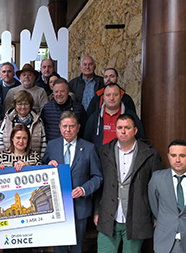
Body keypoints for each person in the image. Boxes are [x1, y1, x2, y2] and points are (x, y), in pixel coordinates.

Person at [94, 114, 163, 253]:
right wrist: (96, 211)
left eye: (127, 128)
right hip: (108, 217)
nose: (123, 131)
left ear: (135, 130)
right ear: (115, 130)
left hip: (137, 217)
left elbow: (158, 188)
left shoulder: (150, 154)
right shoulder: (104, 151)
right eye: (120, 128)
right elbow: (99, 184)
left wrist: (156, 215)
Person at [42, 111, 103, 253]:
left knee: (78, 249)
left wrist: (84, 189)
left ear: (78, 127)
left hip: (80, 207)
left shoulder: (89, 148)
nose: (68, 130)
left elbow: (98, 177)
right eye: (64, 126)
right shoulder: (52, 145)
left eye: (71, 126)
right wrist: (48, 166)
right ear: (59, 127)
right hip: (56, 207)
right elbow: (42, 171)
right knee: (59, 249)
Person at [84, 83, 144, 151]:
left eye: (115, 95)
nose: (112, 98)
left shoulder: (131, 117)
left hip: (124, 157)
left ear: (121, 96)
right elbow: (87, 142)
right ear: (103, 97)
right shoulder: (94, 117)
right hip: (99, 158)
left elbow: (141, 140)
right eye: (108, 95)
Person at [0, 90, 47, 158]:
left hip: (32, 161)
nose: (23, 107)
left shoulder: (37, 120)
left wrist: (40, 159)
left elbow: (43, 143)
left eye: (26, 104)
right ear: (15, 105)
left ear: (30, 105)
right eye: (20, 104)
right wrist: (5, 157)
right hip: (9, 160)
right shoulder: (8, 119)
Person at [0, 62, 21, 127]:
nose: (6, 74)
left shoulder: (21, 88)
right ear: (0, 74)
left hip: (17, 122)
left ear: (14, 73)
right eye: (4, 72)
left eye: (9, 71)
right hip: (0, 123)